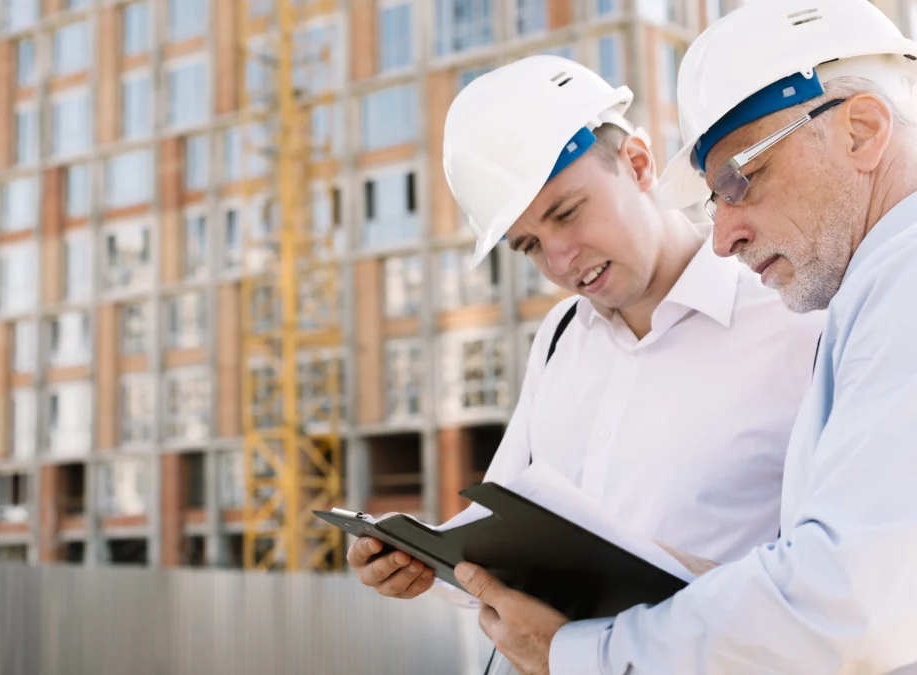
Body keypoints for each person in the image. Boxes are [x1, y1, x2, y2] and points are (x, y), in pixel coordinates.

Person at [452, 1, 917, 673]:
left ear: (861, 130)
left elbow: (846, 603)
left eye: (738, 179)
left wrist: (579, 653)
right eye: (529, 245)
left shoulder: (863, 298)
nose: (722, 236)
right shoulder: (869, 293)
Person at [346, 55, 822, 672]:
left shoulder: (796, 316)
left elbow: (839, 579)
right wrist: (421, 557)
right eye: (530, 246)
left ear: (639, 164)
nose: (563, 260)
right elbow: (499, 518)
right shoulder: (560, 335)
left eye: (568, 213)